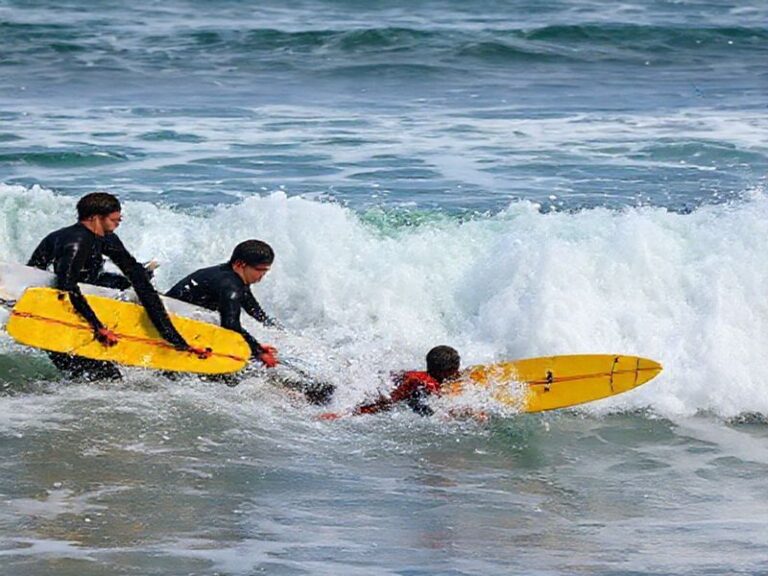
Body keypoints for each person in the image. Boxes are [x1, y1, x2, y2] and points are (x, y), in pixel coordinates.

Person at [28, 192, 205, 380]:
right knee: (103, 379)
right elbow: (65, 286)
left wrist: (174, 339)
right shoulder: (75, 243)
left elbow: (142, 286)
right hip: (59, 314)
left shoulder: (107, 238)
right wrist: (99, 327)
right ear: (95, 218)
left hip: (87, 302)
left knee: (108, 378)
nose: (118, 222)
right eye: (114, 219)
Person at [165, 240, 279, 368]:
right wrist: (258, 352)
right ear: (240, 264)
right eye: (259, 270)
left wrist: (275, 330)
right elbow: (230, 325)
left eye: (265, 271)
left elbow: (253, 309)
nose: (262, 275)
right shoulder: (230, 285)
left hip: (176, 312)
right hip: (170, 319)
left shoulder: (233, 277)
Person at [321, 345, 461, 418]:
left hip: (385, 381)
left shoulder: (429, 376)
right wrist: (347, 414)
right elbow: (387, 401)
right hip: (379, 389)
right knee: (324, 394)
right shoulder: (422, 382)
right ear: (446, 372)